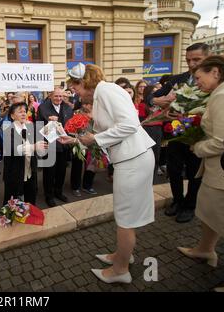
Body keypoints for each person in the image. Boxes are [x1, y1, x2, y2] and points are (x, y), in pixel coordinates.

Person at [63, 64, 155, 284]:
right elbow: (108, 130)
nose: (73, 90)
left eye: (75, 85)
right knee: (126, 215)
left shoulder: (107, 91)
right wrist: (75, 140)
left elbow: (130, 125)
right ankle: (121, 255)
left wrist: (94, 139)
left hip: (133, 160)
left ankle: (120, 270)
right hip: (132, 158)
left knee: (125, 217)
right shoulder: (103, 94)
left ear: (85, 81)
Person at [147, 43, 209, 223]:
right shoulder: (177, 79)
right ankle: (177, 200)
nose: (191, 64)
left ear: (207, 57)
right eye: (188, 60)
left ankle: (190, 205)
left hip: (198, 135)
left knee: (194, 172)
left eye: (196, 59)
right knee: (173, 170)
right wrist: (161, 100)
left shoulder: (214, 83)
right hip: (175, 131)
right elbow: (150, 97)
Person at [177, 55, 224, 271]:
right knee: (208, 212)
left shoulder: (222, 96)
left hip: (222, 173)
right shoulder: (218, 93)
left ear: (215, 72)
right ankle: (205, 249)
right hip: (215, 170)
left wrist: (197, 147)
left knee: (220, 217)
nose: (196, 82)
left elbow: (222, 142)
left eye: (199, 77)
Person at [2, 102, 47, 205]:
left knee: (31, 198)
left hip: (30, 170)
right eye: (20, 112)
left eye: (24, 111)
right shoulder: (8, 130)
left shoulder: (30, 127)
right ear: (12, 116)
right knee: (12, 201)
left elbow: (43, 137)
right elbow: (15, 149)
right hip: (14, 172)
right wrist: (34, 146)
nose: (23, 114)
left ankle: (31, 215)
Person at [37, 87, 74, 207]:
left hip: (64, 145)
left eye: (61, 96)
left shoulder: (68, 107)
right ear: (50, 96)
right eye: (56, 96)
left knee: (62, 171)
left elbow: (70, 126)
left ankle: (59, 192)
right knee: (49, 173)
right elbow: (38, 127)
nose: (59, 98)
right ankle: (49, 196)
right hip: (50, 145)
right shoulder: (43, 108)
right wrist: (49, 121)